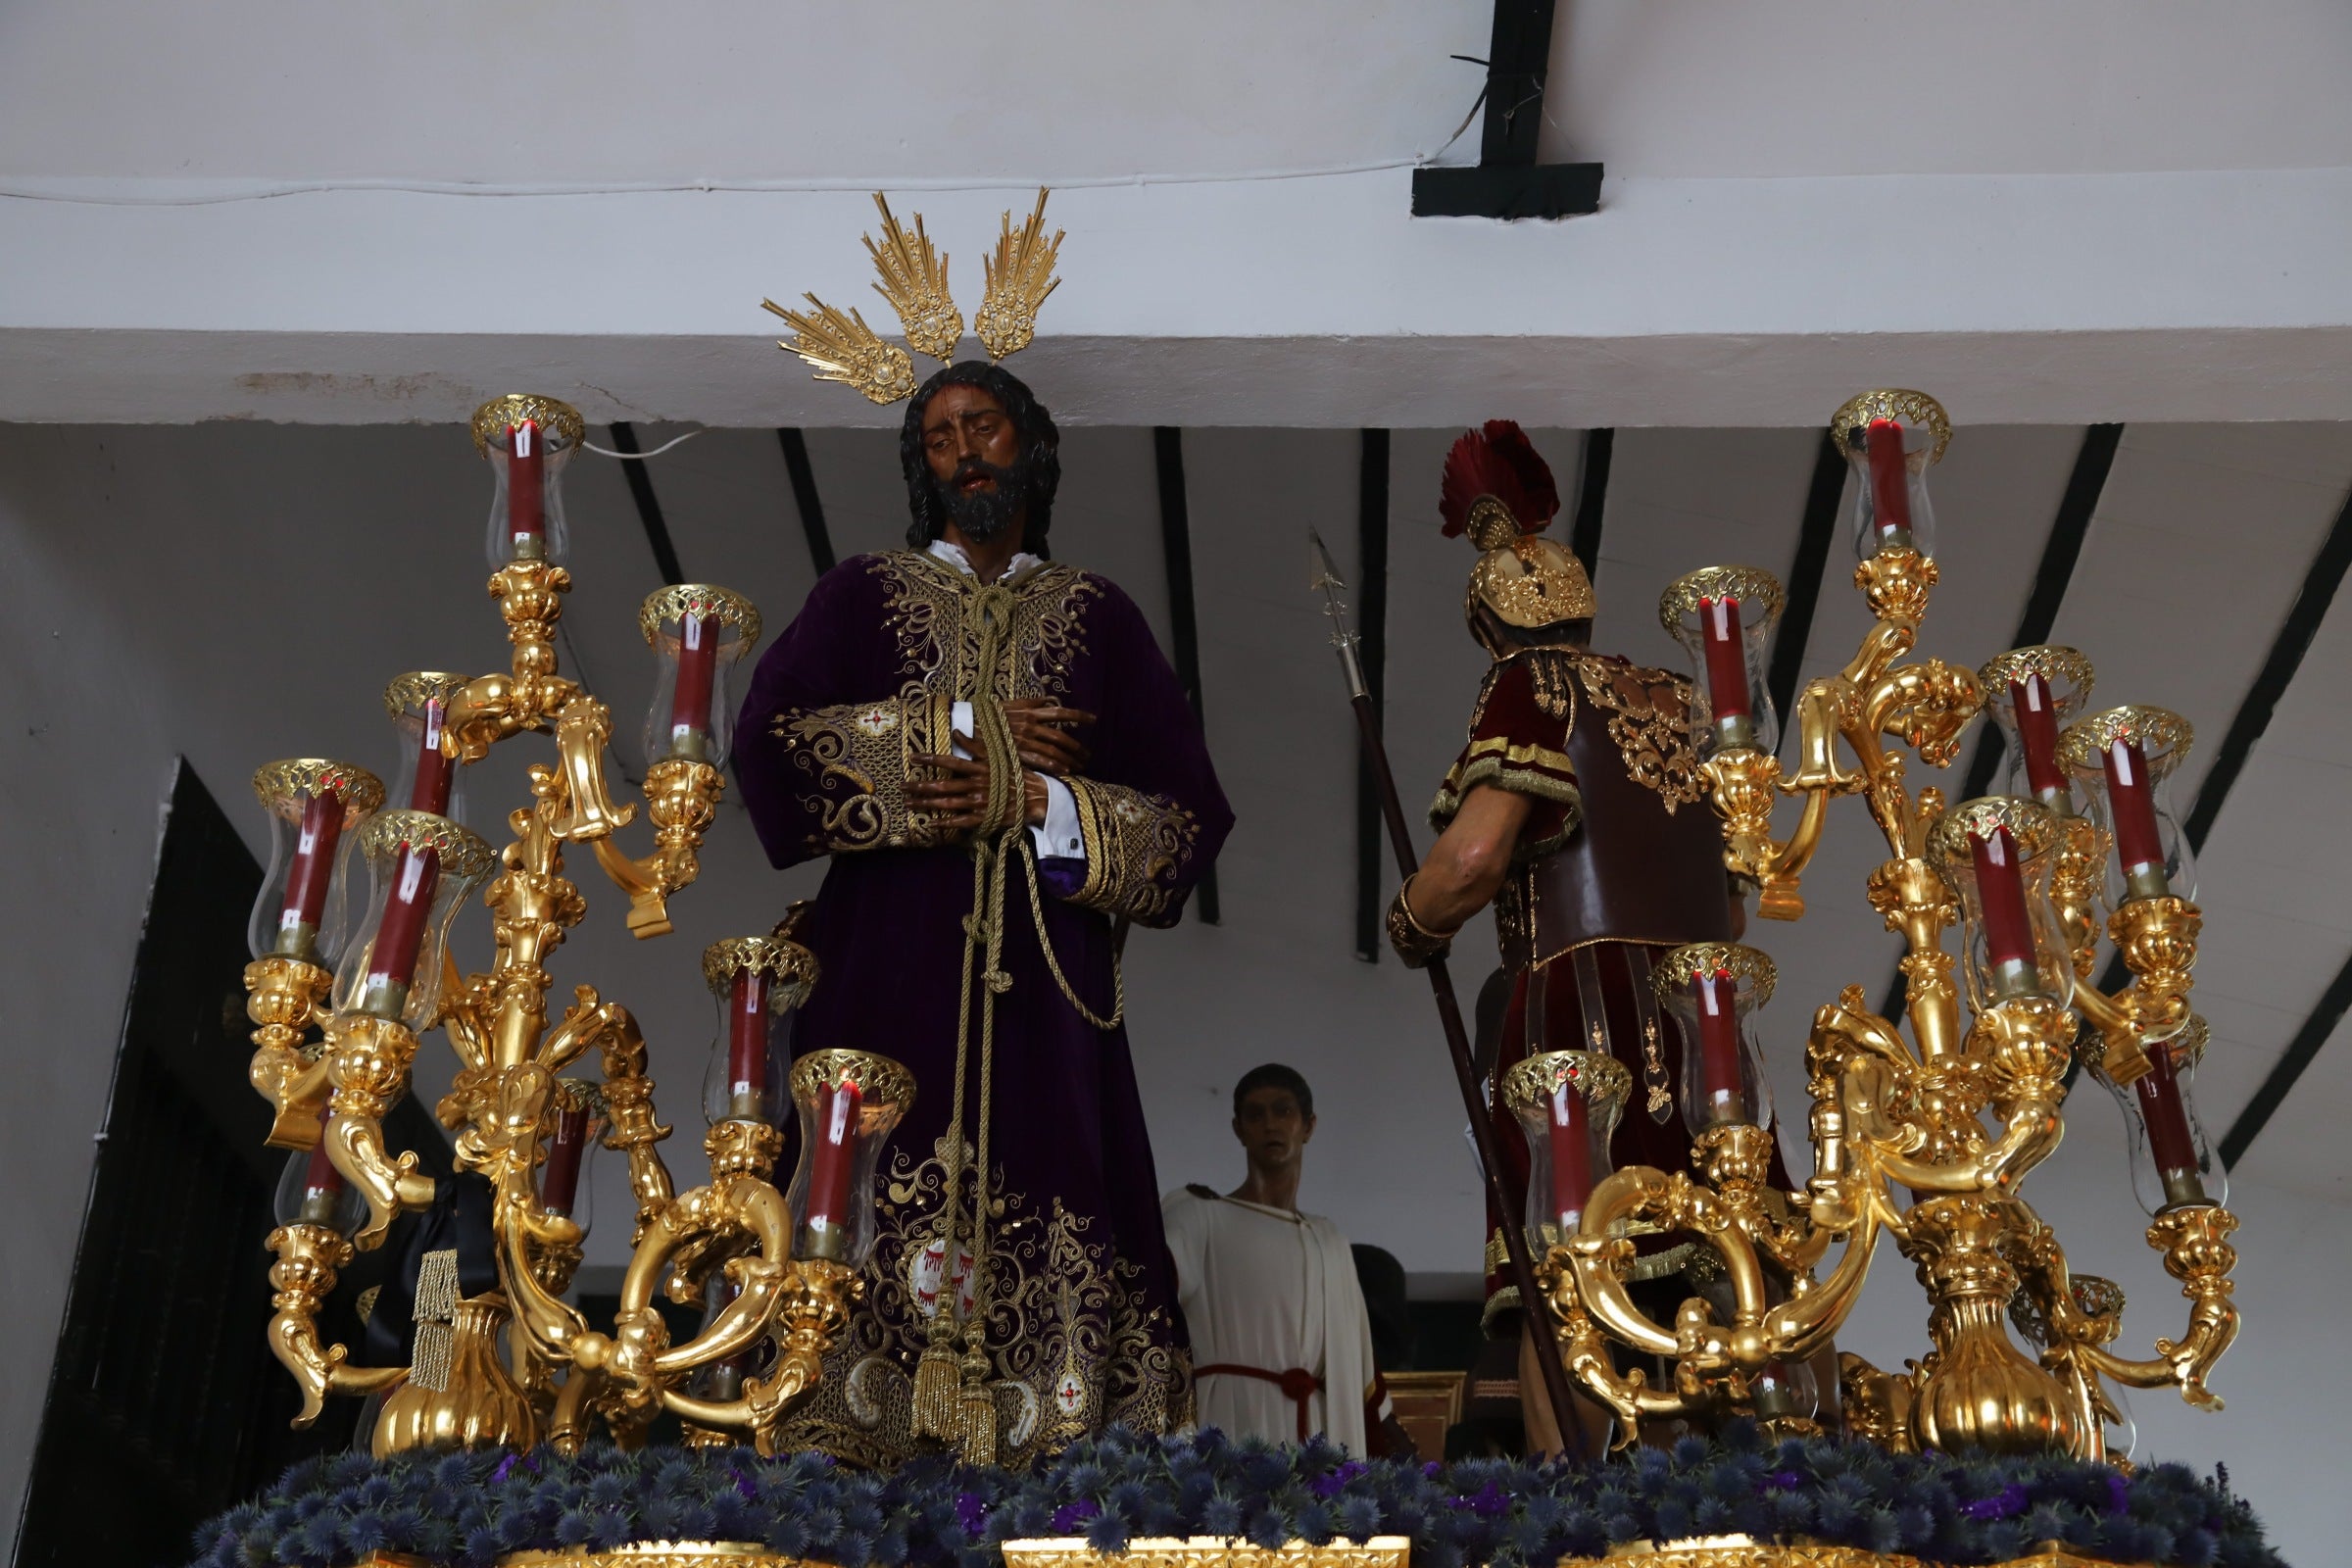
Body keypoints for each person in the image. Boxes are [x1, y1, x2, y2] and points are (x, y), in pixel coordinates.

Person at [735, 358, 1233, 1468]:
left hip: (1049, 1002)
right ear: (922, 467)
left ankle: (1059, 1441)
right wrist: (957, 734)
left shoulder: (1100, 618)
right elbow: (770, 746)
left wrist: (1045, 802)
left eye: (985, 426)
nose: (965, 450)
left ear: (1033, 447)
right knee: (852, 1195)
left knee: (1061, 1180)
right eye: (941, 436)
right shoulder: (862, 593)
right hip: (882, 976)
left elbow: (1190, 818)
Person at [1383, 420, 1808, 1455]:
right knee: (1737, 1262)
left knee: (1564, 1278)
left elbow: (1473, 858)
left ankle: (1575, 1507)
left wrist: (1411, 922)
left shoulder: (1530, 685)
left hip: (1581, 1015)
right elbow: (1732, 908)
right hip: (1707, 1022)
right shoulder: (1682, 701)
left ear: (1490, 625)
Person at [1161, 1065, 1404, 1455]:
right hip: (1232, 1423)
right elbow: (1147, 1295)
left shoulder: (1330, 1241)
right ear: (1239, 1129)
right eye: (1255, 1115)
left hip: (1322, 1437)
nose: (1270, 1124)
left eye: (1283, 1111)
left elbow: (1363, 1372)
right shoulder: (1199, 1215)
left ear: (1308, 1126)